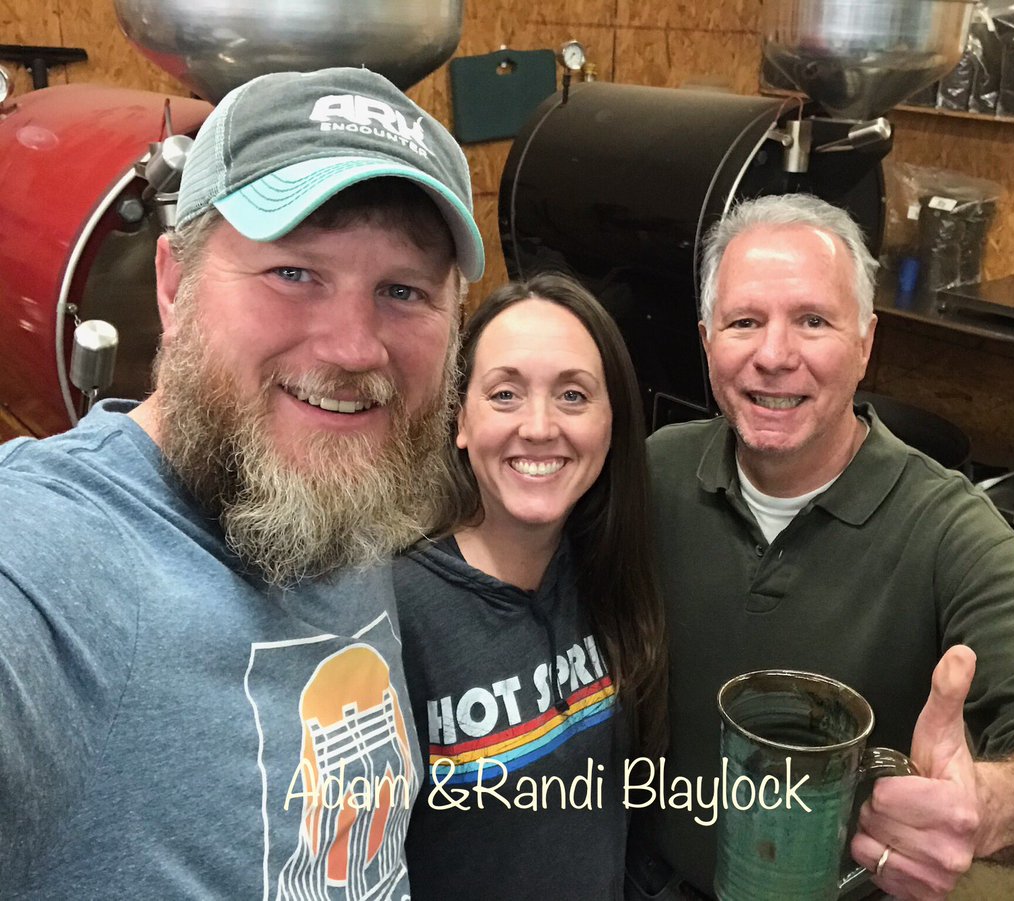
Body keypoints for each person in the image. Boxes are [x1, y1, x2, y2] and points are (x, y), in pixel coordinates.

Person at [0, 67, 485, 898]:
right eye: (294, 272)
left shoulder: (340, 497)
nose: (354, 347)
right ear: (173, 284)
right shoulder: (56, 568)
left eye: (402, 291)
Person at [632, 194, 1014, 900]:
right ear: (707, 339)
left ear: (867, 343)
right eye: (744, 321)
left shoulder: (951, 532)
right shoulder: (653, 471)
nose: (774, 355)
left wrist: (987, 806)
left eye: (813, 321)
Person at [394, 274, 668, 900]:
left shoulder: (607, 569)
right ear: (460, 419)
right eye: (505, 394)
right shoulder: (396, 608)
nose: (540, 426)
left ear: (612, 422)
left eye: (573, 395)